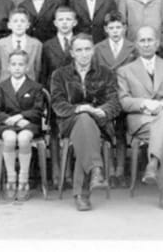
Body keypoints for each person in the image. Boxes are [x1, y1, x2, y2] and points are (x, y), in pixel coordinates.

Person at [117, 26, 163, 210]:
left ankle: (154, 165)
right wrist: (145, 104)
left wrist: (162, 105)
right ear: (136, 44)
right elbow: (123, 101)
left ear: (157, 43)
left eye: (150, 40)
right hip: (141, 119)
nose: (146, 44)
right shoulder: (125, 71)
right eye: (142, 40)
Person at [51, 34, 120, 211]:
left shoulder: (106, 73)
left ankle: (83, 190)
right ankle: (95, 170)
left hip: (99, 121)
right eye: (79, 50)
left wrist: (102, 110)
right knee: (83, 119)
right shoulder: (60, 75)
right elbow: (57, 104)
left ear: (93, 50)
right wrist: (79, 109)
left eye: (87, 49)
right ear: (72, 53)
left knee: (86, 128)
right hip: (70, 120)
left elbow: (114, 102)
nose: (84, 54)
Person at [0, 49, 46, 202]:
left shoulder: (35, 87)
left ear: (27, 67)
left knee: (23, 139)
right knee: (9, 139)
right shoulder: (1, 87)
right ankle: (11, 178)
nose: (17, 68)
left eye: (21, 64)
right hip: (7, 123)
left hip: (28, 123)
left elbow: (38, 110)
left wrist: (22, 116)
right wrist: (12, 120)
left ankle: (23, 179)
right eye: (14, 64)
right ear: (8, 66)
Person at [0, 8, 43, 82]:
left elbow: (37, 69)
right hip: (6, 85)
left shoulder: (37, 44)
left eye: (22, 21)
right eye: (15, 21)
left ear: (28, 25)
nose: (19, 24)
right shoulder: (0, 44)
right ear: (9, 25)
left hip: (29, 85)